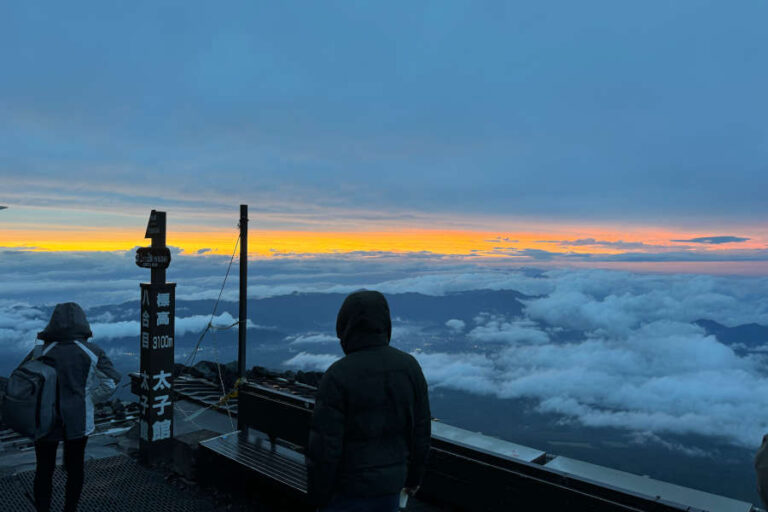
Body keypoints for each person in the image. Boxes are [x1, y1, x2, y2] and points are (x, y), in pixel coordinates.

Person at [307, 290, 431, 512]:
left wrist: (318, 497)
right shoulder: (410, 367)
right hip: (391, 489)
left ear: (345, 327)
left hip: (348, 491)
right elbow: (420, 431)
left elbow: (325, 448)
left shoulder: (337, 375)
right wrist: (414, 478)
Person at [25, 302, 122, 512]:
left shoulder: (40, 350)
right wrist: (90, 399)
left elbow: (25, 381)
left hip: (44, 419)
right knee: (75, 468)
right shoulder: (92, 351)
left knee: (44, 469)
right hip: (78, 420)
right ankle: (70, 509)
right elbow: (111, 381)